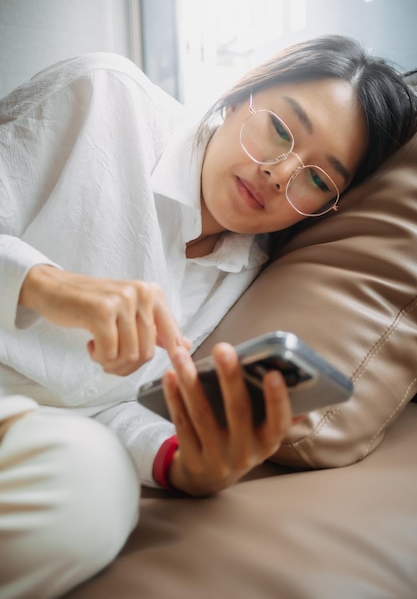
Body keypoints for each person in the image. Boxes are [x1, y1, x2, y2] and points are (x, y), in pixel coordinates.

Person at [0, 34, 416, 596]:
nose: (280, 173)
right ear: (245, 92)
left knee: (97, 489)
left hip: (30, 437)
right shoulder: (103, 95)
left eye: (318, 179)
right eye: (281, 128)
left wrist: (187, 466)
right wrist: (47, 285)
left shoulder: (247, 274)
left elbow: (110, 408)